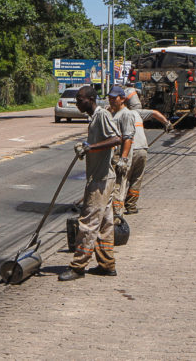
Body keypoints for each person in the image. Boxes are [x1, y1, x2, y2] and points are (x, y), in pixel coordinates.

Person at [59, 86, 122, 281]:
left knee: (88, 223)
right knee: (105, 223)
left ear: (91, 99)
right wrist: (86, 148)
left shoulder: (102, 115)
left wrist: (91, 147)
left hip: (101, 180)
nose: (77, 103)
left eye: (80, 99)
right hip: (102, 177)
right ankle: (106, 264)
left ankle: (78, 267)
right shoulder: (94, 118)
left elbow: (117, 138)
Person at [106, 86, 135, 218]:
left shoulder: (126, 114)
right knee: (110, 190)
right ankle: (111, 217)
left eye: (114, 98)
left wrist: (123, 159)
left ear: (122, 99)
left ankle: (118, 218)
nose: (111, 100)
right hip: (111, 159)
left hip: (119, 160)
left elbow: (128, 138)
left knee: (118, 190)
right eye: (110, 98)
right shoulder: (112, 113)